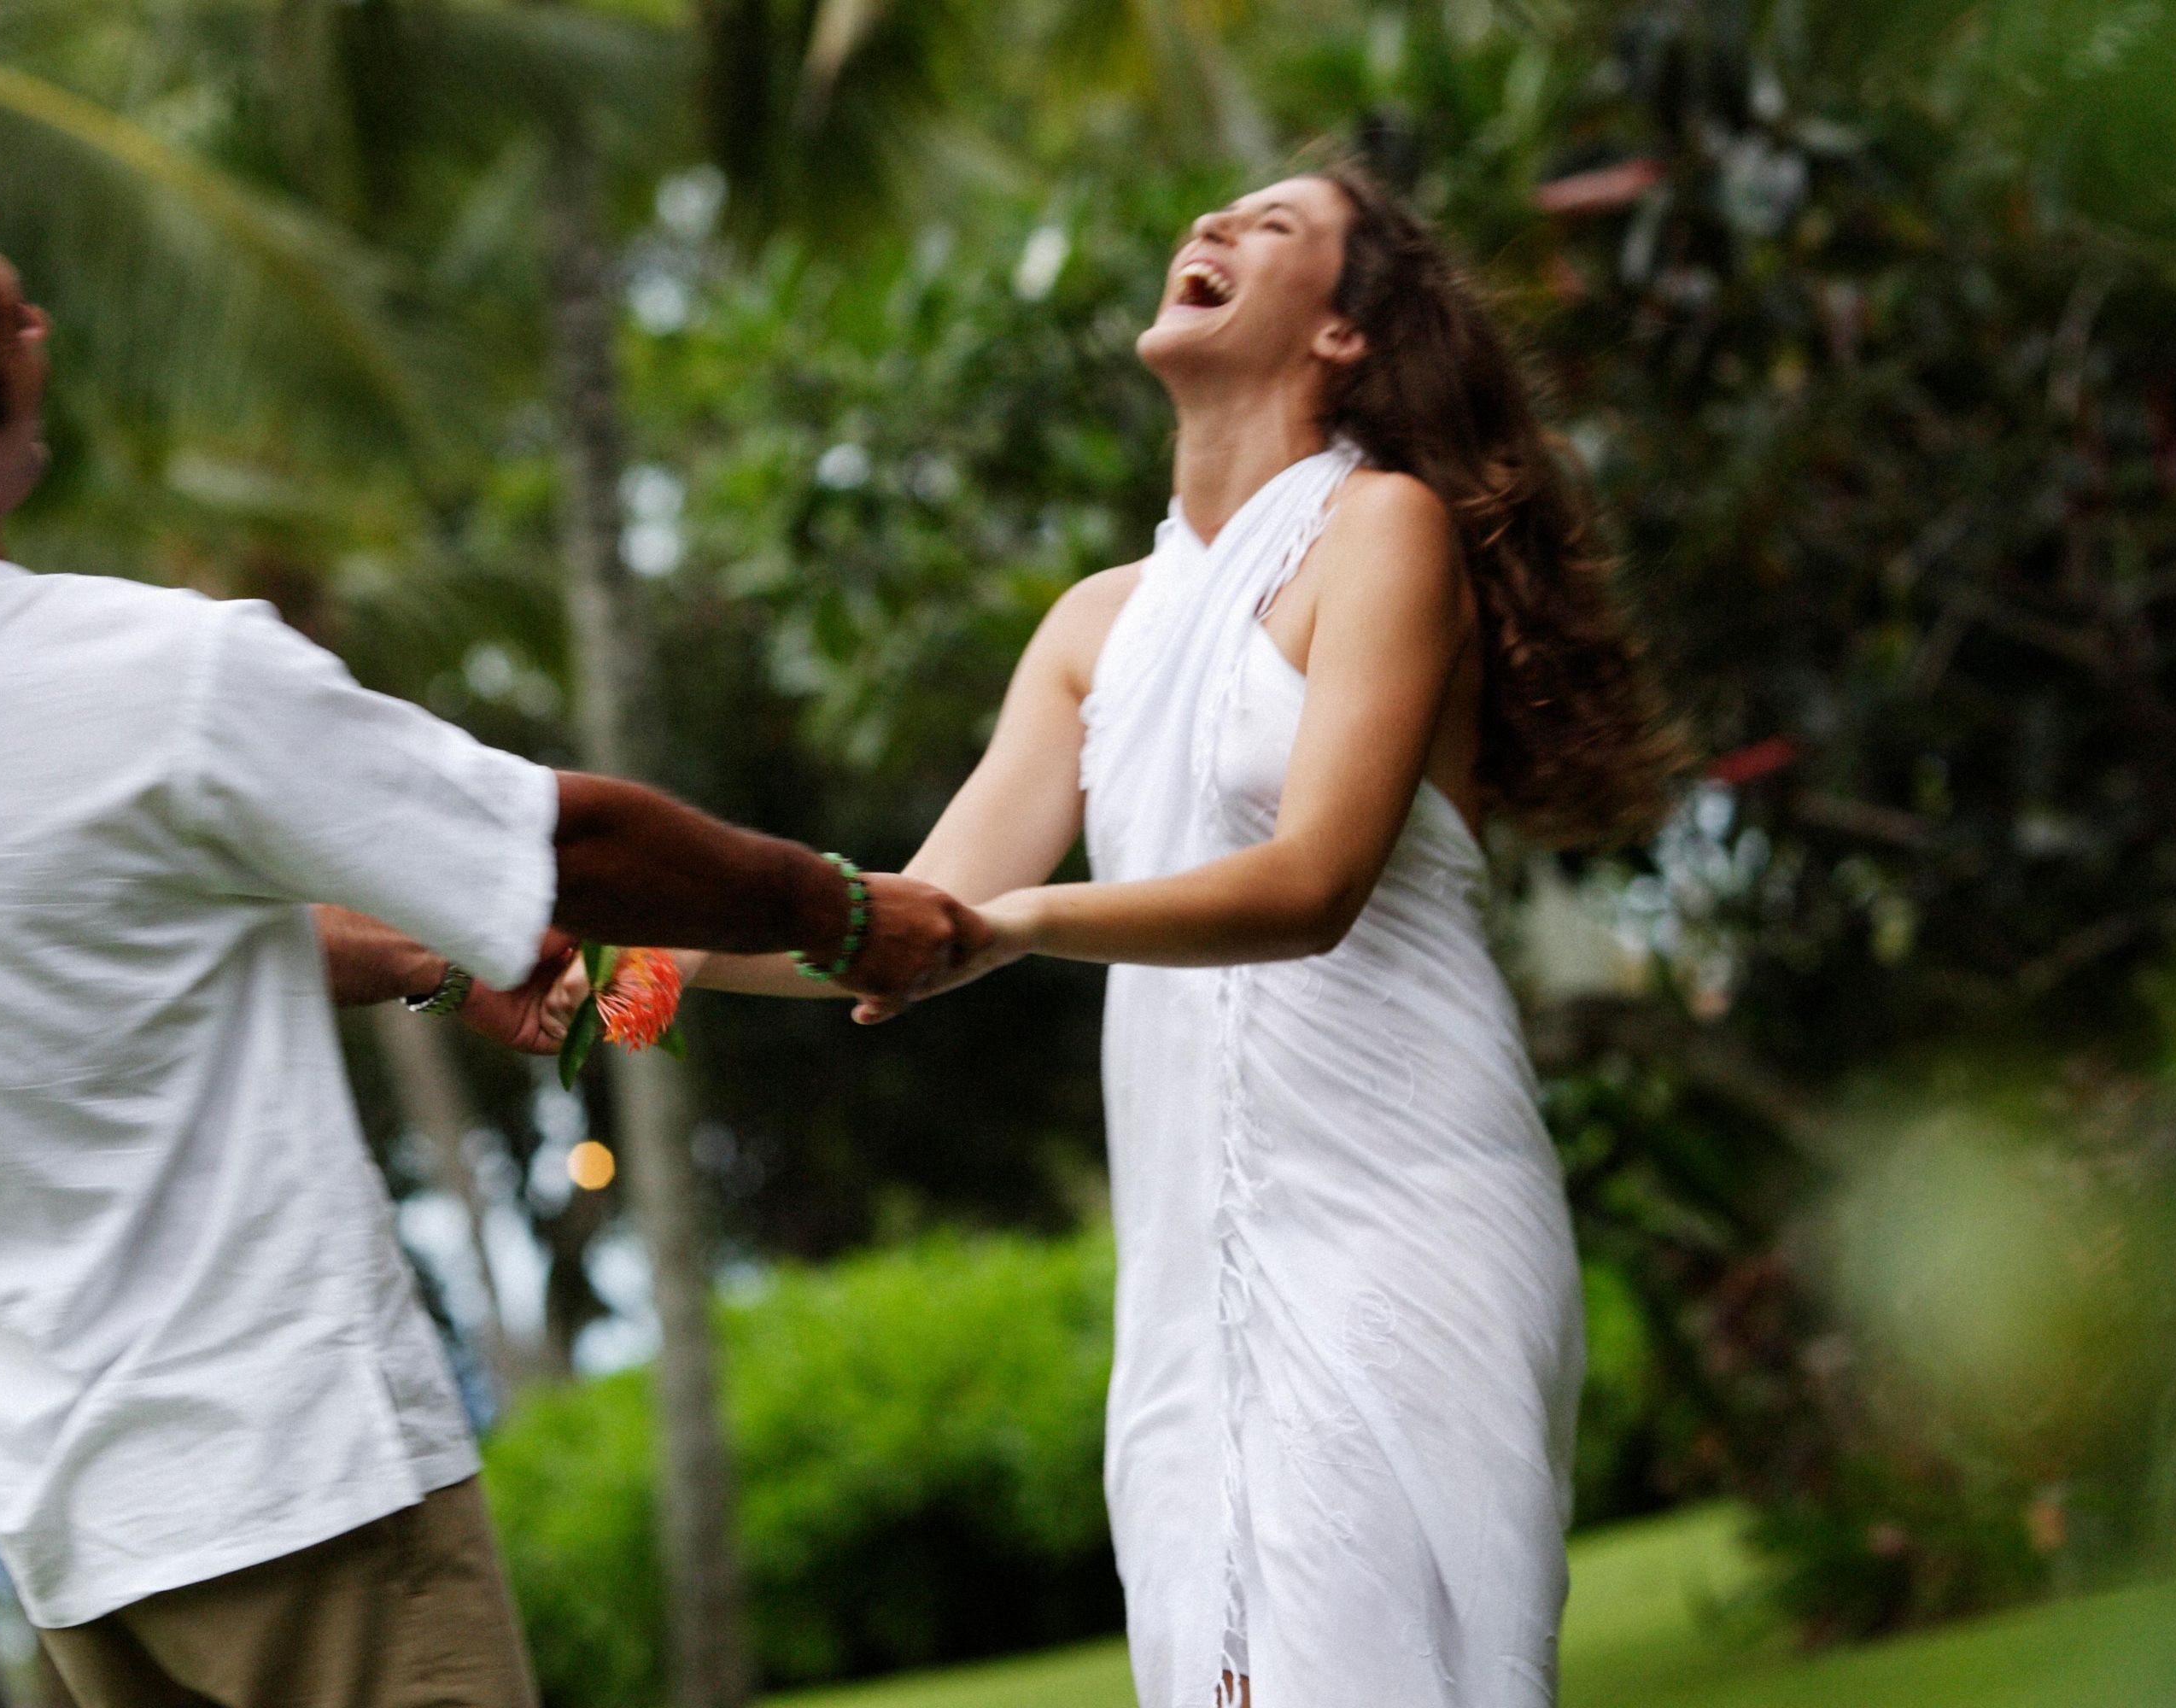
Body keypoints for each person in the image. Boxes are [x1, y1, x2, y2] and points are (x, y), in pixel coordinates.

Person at [0, 165, 984, 1708]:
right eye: (12, 320)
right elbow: (567, 843)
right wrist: (844, 912)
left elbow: (94, 946)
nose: (44, 331)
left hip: (87, 1549)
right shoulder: (154, 674)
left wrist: (431, 959)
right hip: (301, 1490)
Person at [693, 167, 1677, 1706]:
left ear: (1346, 332)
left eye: (1270, 226)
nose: (1209, 230)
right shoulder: (1095, 628)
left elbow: (1312, 885)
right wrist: (628, 964)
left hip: (1400, 1209)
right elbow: (901, 918)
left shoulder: (1385, 531)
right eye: (1211, 217)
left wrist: (1023, 922)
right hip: (1185, 1272)